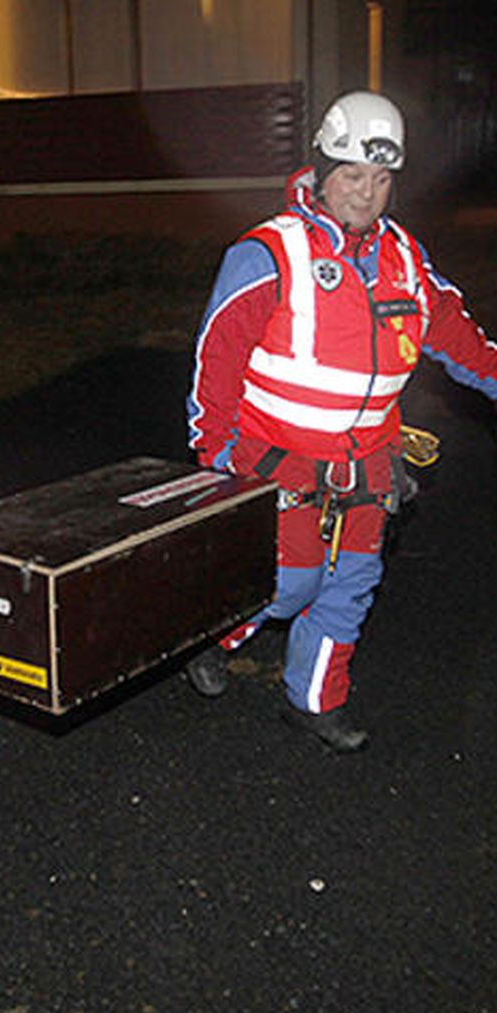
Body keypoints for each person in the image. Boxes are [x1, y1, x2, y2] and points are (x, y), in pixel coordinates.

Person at [186, 90, 497, 751]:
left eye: (382, 179)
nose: (367, 193)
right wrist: (219, 456)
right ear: (324, 172)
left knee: (351, 584)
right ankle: (212, 632)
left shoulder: (406, 259)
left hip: (368, 464)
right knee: (291, 580)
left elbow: (461, 339)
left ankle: (315, 701)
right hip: (278, 461)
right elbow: (216, 358)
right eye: (353, 176)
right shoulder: (270, 250)